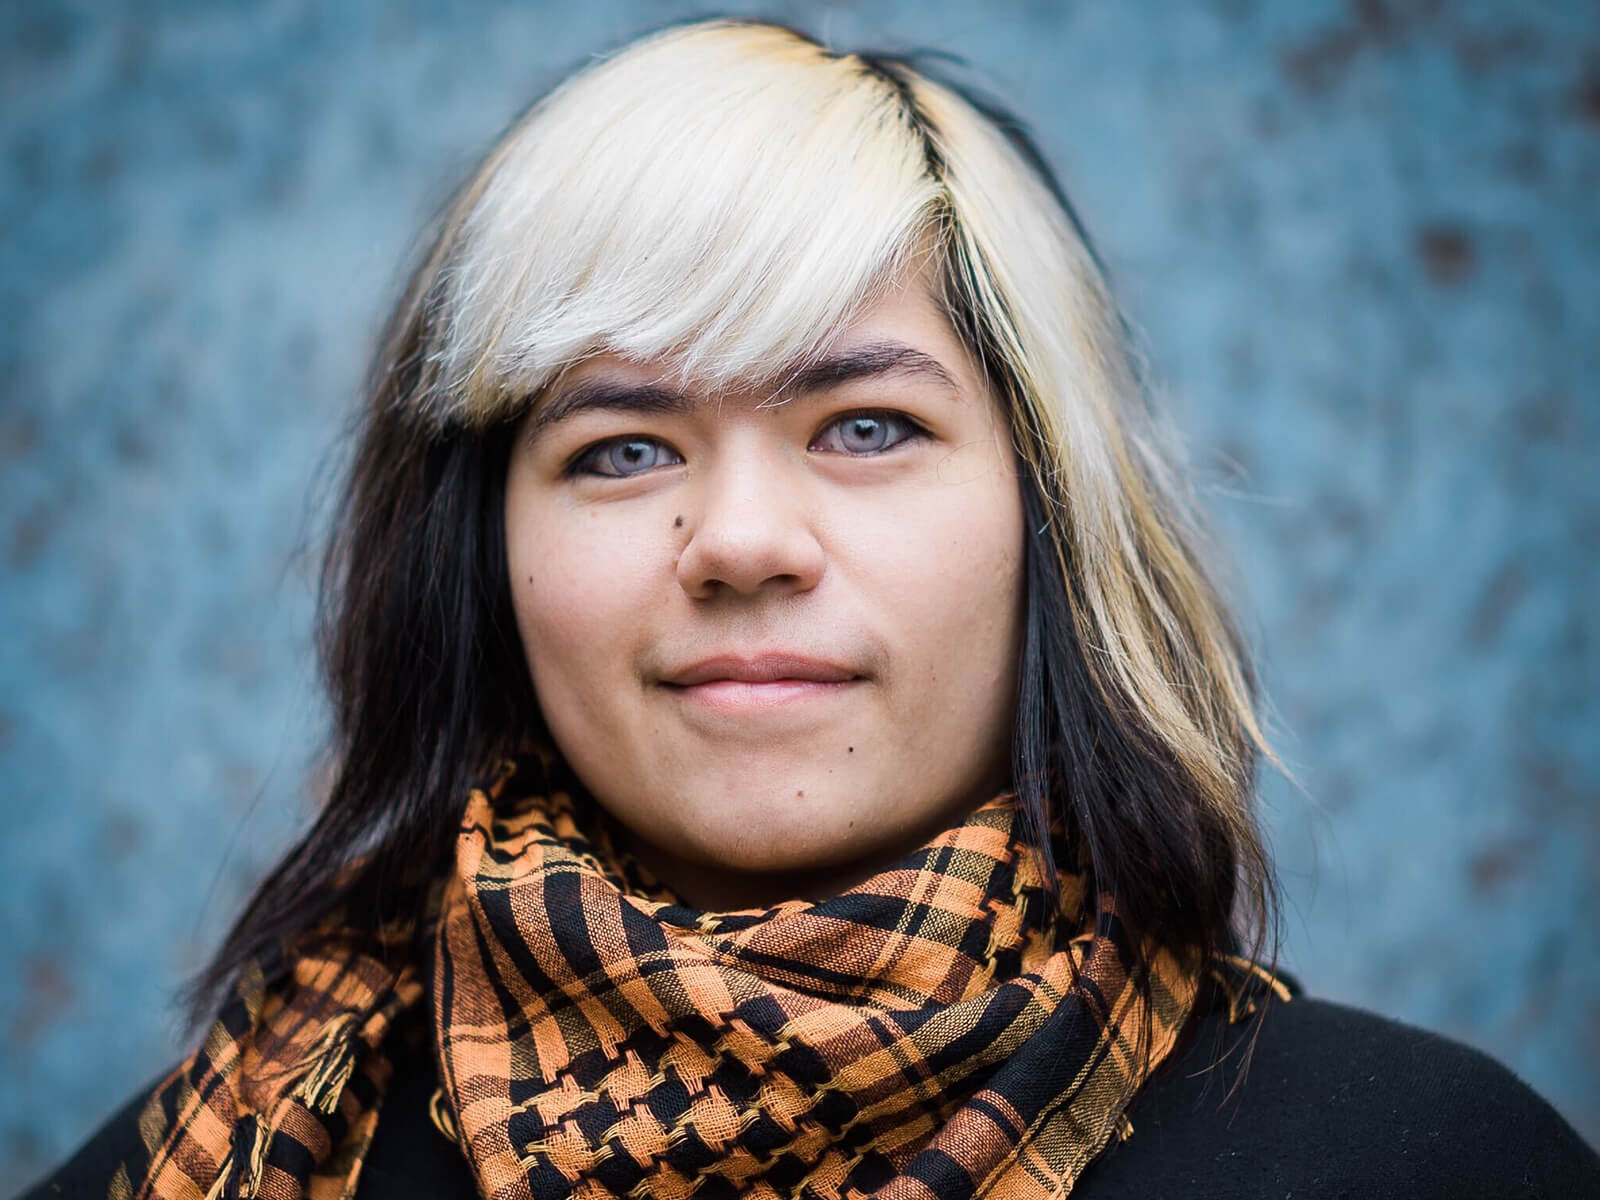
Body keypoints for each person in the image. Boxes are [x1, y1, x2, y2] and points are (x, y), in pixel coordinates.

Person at [19, 18, 1597, 1200]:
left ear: (1054, 523)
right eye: (622, 449)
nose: (745, 542)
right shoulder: (212, 1158)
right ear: (478, 561)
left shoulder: (1422, 1164)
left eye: (866, 428)